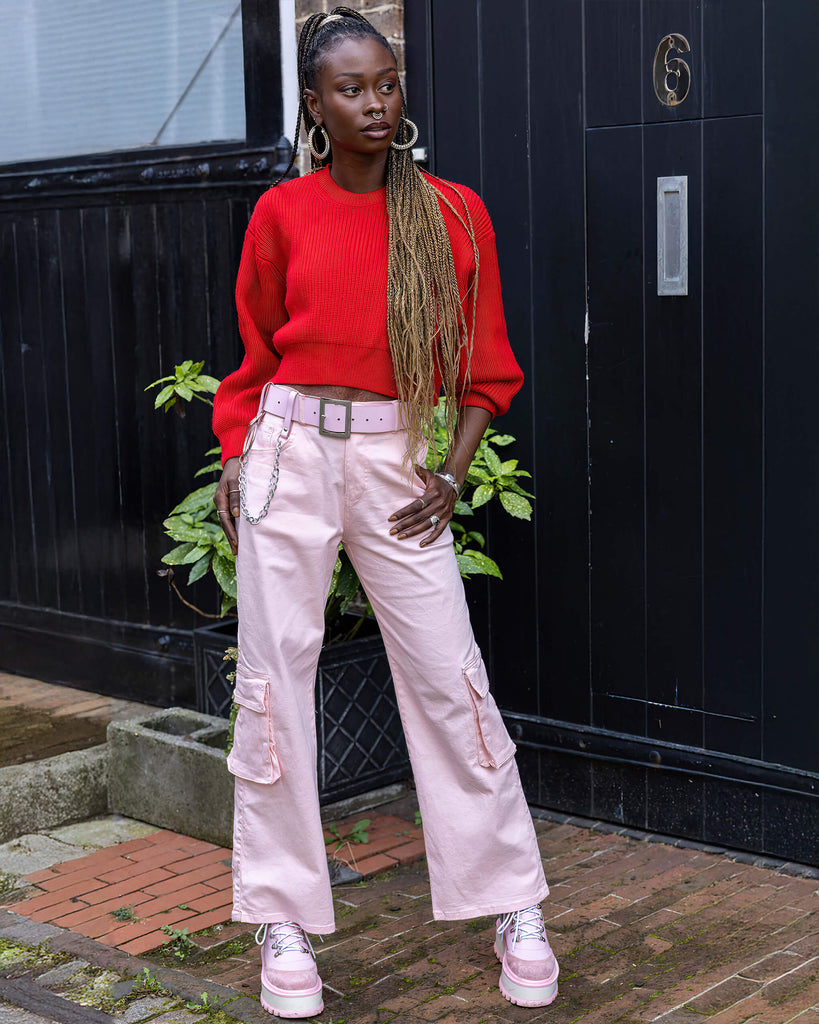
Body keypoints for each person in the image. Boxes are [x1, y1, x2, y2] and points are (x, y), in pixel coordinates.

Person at [212, 7, 559, 1018]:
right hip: (288, 448)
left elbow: (488, 371)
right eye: (350, 90)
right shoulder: (283, 212)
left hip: (401, 455)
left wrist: (450, 476)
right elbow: (255, 352)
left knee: (453, 677)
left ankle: (514, 902)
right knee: (275, 680)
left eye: (387, 85)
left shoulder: (453, 213)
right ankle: (281, 918)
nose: (374, 103)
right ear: (315, 107)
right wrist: (238, 454)